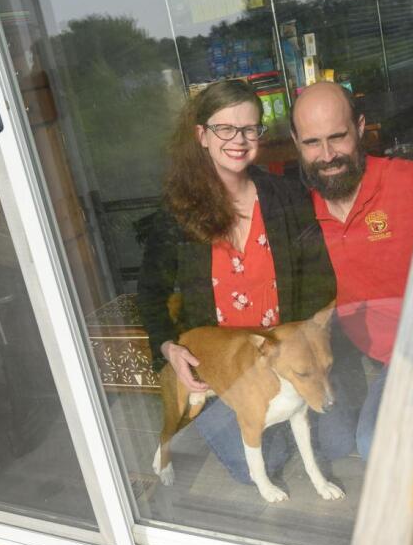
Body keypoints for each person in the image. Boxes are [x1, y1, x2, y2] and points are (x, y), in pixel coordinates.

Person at [137, 79, 350, 485]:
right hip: (226, 369)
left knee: (337, 442)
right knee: (257, 462)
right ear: (202, 135)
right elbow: (150, 293)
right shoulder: (178, 212)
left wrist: (306, 344)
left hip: (285, 358)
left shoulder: (287, 198)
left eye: (250, 129)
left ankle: (281, 417)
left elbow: (320, 282)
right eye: (225, 129)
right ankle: (251, 419)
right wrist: (168, 347)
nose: (239, 140)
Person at [290, 81, 413, 460]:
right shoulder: (298, 212)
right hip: (351, 357)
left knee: (377, 446)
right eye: (312, 143)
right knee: (334, 446)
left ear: (360, 127)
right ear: (295, 143)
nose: (327, 155)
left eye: (338, 137)